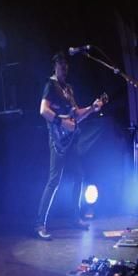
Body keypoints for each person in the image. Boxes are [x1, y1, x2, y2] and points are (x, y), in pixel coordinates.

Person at [33, 52, 104, 240]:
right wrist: (61, 122)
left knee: (79, 176)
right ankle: (39, 224)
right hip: (58, 140)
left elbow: (76, 115)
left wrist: (92, 108)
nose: (64, 68)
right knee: (54, 181)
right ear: (55, 66)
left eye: (66, 65)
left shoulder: (68, 88)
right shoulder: (51, 85)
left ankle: (75, 217)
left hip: (71, 140)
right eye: (61, 64)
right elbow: (43, 110)